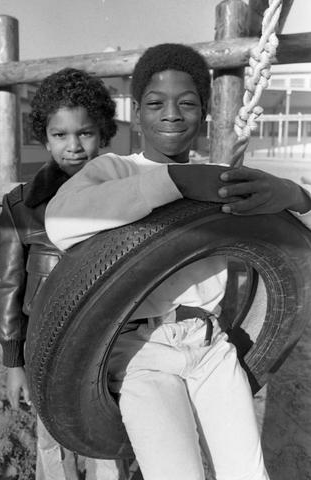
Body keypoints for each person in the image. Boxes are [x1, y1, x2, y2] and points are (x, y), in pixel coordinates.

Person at [45, 44, 311, 480]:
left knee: (248, 472)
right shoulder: (116, 171)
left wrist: (294, 196)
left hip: (209, 344)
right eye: (155, 103)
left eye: (187, 103)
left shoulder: (218, 177)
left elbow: (292, 235)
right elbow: (61, 220)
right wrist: (173, 180)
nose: (171, 114)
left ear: (204, 112)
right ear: (137, 110)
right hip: (140, 352)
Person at [0, 68, 131, 480]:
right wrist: (13, 361)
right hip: (44, 352)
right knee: (52, 442)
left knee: (107, 442)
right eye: (60, 135)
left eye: (85, 133)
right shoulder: (21, 205)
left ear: (104, 131)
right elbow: (8, 289)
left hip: (110, 347)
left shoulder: (128, 197)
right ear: (44, 136)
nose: (73, 147)